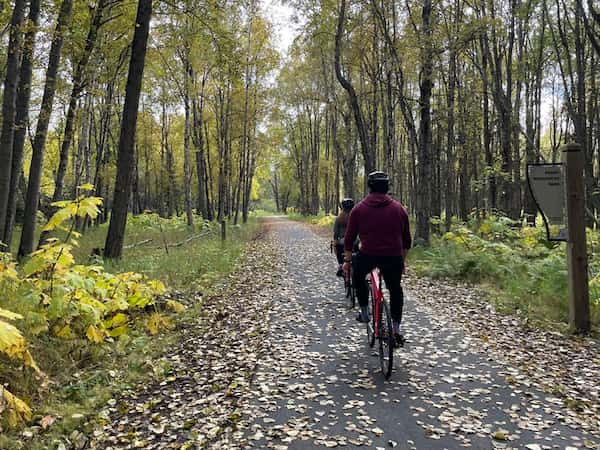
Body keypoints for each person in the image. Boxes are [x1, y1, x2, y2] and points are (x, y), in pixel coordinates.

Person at [343, 171, 411, 346]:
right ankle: (396, 328)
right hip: (393, 257)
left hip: (368, 256)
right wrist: (401, 261)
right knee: (396, 289)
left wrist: (347, 261)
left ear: (369, 187)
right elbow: (406, 241)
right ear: (387, 188)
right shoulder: (399, 209)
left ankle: (364, 311)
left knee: (357, 275)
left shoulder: (358, 209)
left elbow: (349, 239)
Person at [332, 198, 355, 277]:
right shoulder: (355, 216)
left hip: (342, 241)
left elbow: (336, 233)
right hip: (354, 240)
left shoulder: (339, 218)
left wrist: (335, 243)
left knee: (336, 247)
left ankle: (341, 265)